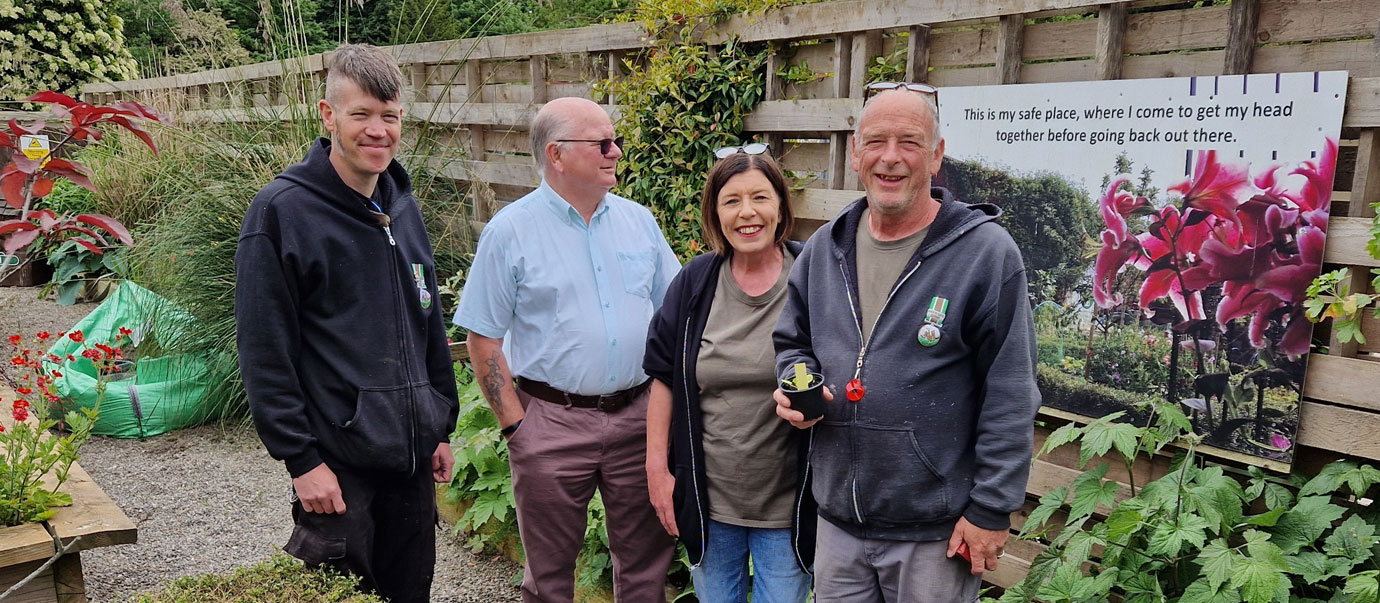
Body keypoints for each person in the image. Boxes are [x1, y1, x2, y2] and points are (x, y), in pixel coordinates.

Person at [772, 82, 1040, 602]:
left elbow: (1010, 391)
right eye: (875, 142)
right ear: (855, 153)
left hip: (934, 532)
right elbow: (792, 341)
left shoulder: (985, 254)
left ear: (937, 156)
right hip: (838, 524)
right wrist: (797, 384)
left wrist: (990, 509)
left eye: (910, 142)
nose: (890, 158)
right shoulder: (825, 249)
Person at [234, 44, 458, 603]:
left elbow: (426, 320)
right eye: (361, 115)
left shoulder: (401, 208)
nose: (378, 130)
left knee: (410, 593)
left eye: (390, 115)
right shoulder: (282, 212)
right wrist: (301, 460)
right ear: (327, 115)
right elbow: (265, 349)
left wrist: (438, 424)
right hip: (338, 468)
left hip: (409, 463)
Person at [454, 96, 681, 602]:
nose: (616, 152)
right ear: (556, 155)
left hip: (638, 420)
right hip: (550, 423)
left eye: (615, 140)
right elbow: (482, 337)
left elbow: (676, 313)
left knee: (646, 571)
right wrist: (518, 428)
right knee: (549, 579)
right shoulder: (509, 232)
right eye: (602, 143)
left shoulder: (638, 222)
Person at [644, 146, 815, 603]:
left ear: (780, 206)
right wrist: (657, 468)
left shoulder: (814, 279)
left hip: (789, 506)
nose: (747, 213)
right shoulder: (695, 283)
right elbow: (663, 377)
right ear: (715, 213)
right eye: (731, 200)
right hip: (709, 500)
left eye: (759, 197)